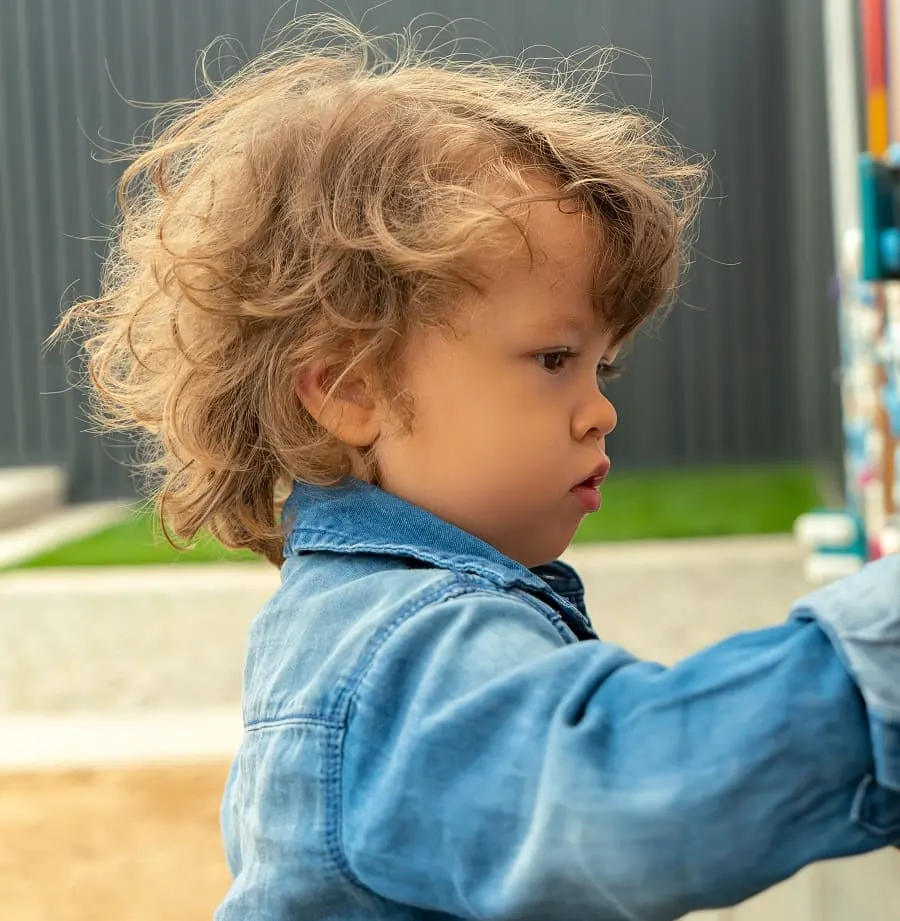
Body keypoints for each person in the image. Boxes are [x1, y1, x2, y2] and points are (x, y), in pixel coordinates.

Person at [53, 17, 900, 921]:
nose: (601, 409)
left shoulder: (364, 616)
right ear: (348, 387)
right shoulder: (400, 647)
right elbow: (627, 798)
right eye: (552, 359)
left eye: (600, 367)